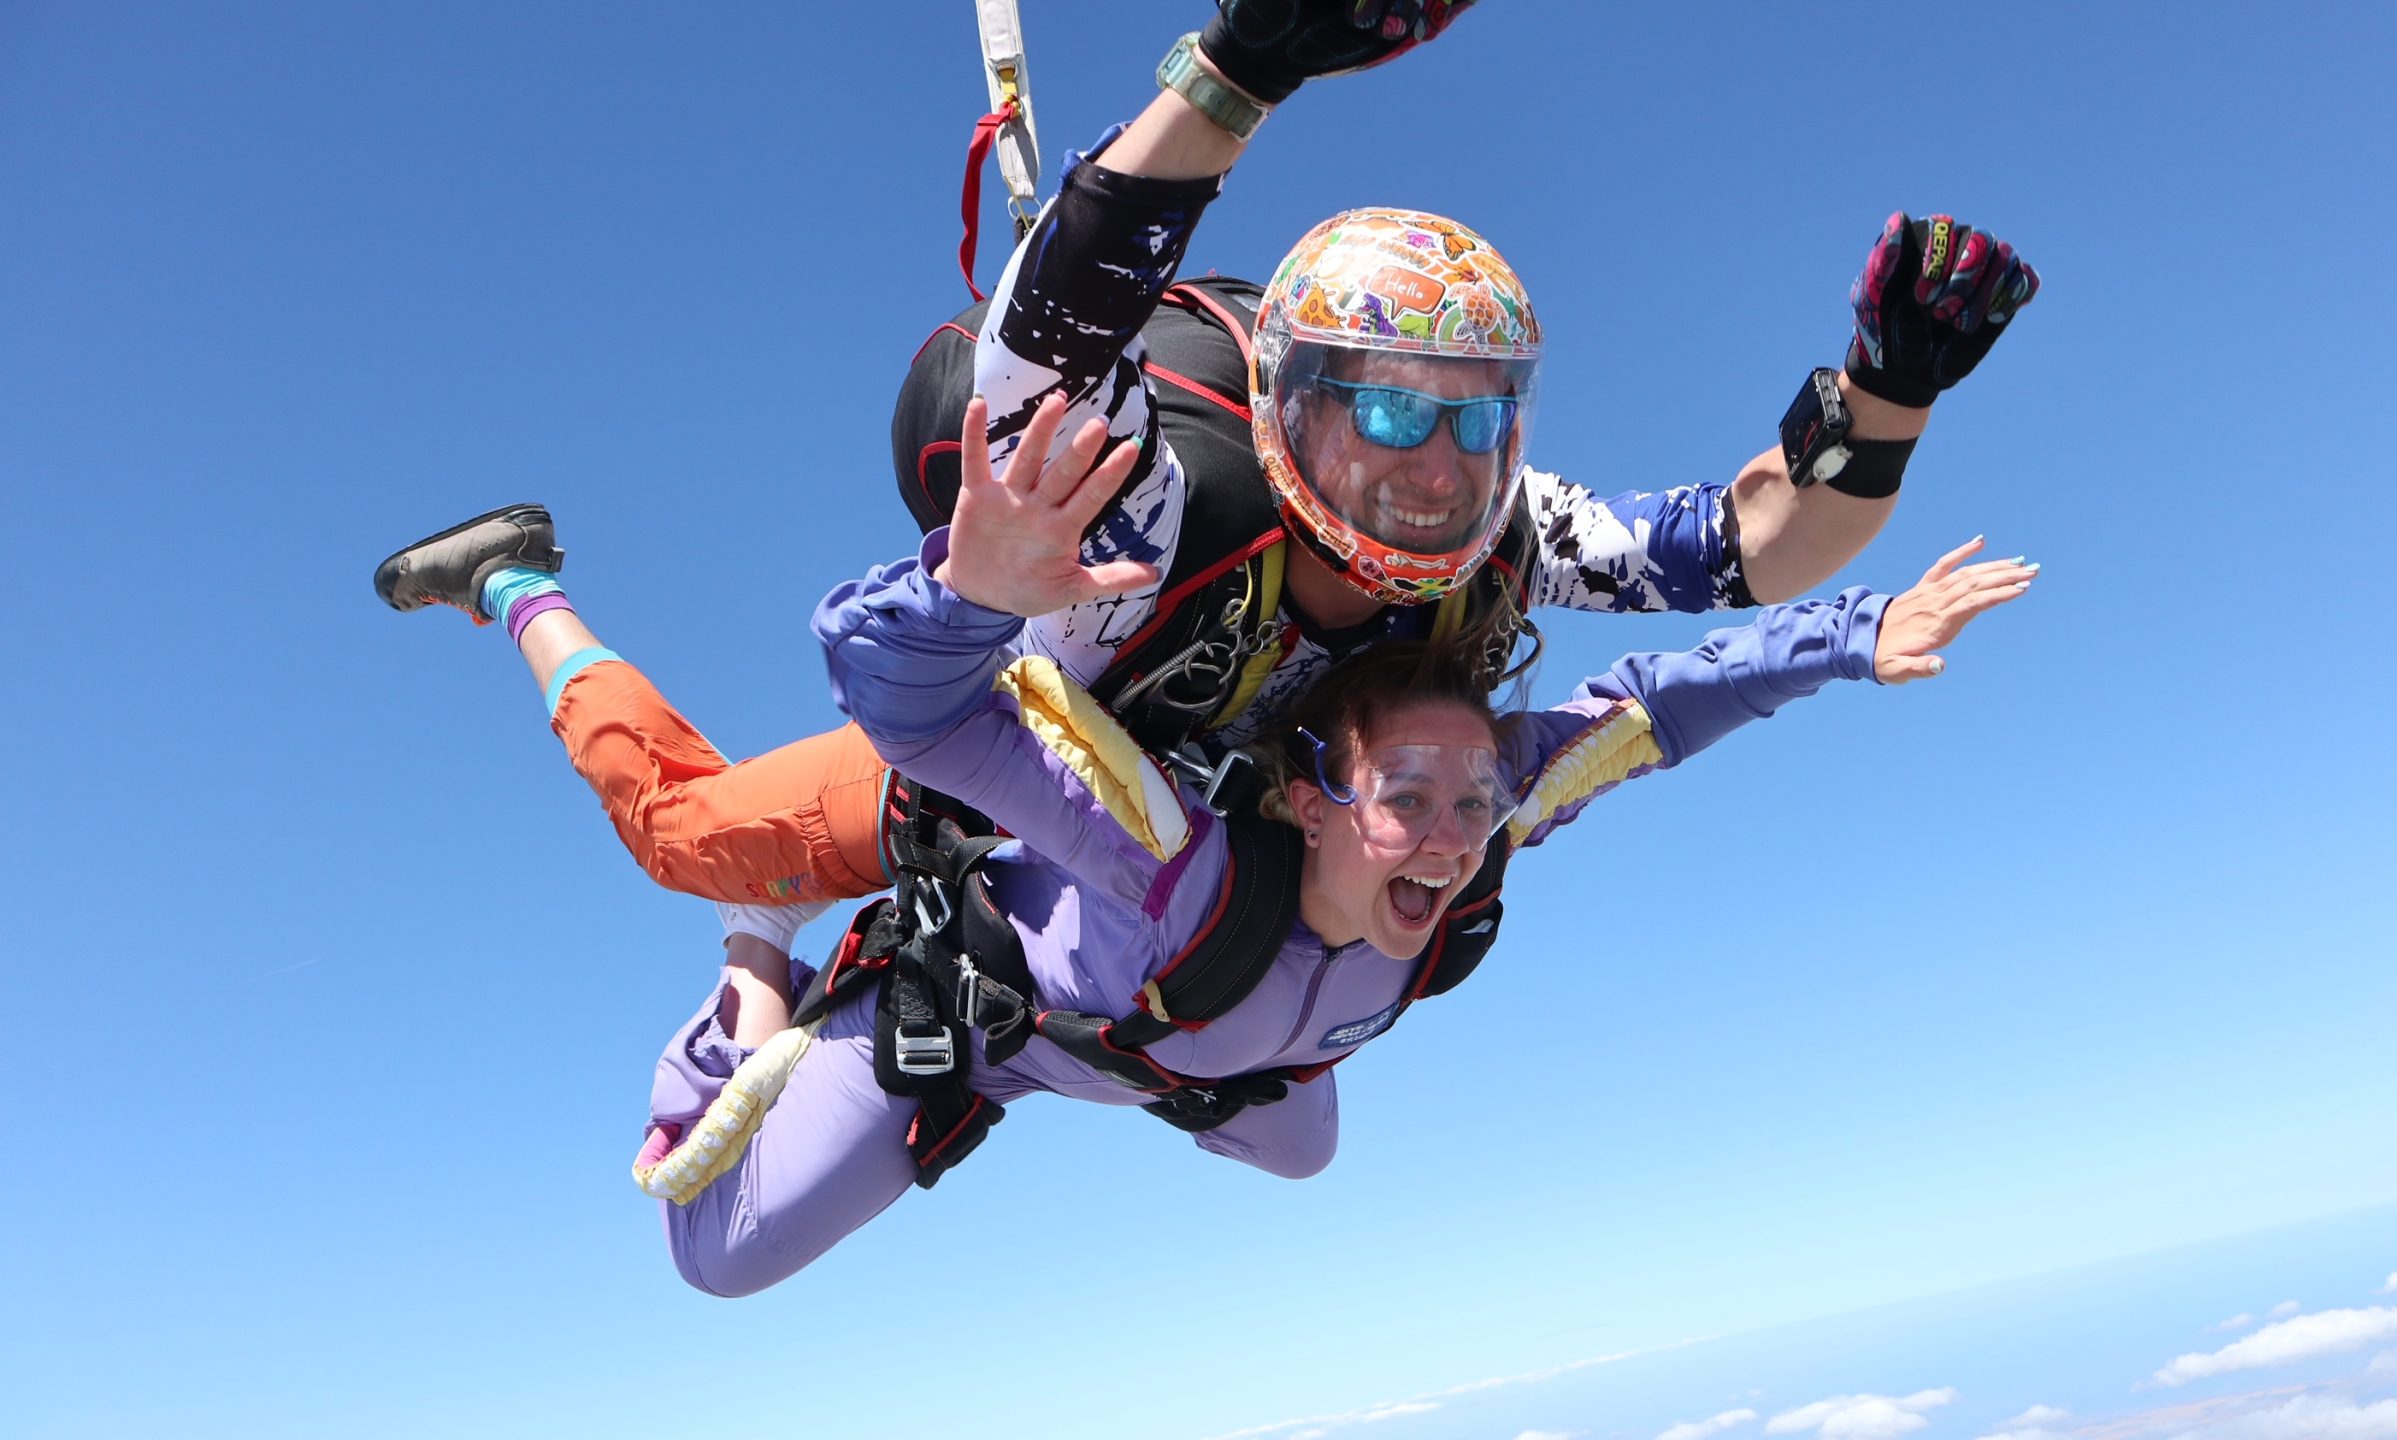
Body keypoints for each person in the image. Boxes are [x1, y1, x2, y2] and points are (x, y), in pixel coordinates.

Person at [372, 0, 2038, 917]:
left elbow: (1746, 552)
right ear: (1290, 402)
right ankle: (521, 588)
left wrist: (1890, 397)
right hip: (978, 770)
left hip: (1183, 839)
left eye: (1471, 411)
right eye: (1382, 406)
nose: (1432, 463)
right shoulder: (1169, 489)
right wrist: (1237, 71)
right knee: (687, 844)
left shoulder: (1498, 528)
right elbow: (1041, 347)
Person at [629, 387, 2038, 1297]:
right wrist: (967, 590)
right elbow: (914, 711)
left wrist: (1854, 638)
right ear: (1310, 798)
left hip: (1216, 1052)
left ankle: (1198, 1068)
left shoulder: (1488, 813)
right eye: (1406, 804)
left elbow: (1661, 707)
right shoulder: (1164, 856)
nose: (1445, 844)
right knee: (719, 1252)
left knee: (1309, 1148)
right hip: (996, 1020)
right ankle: (752, 951)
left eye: (1472, 805)